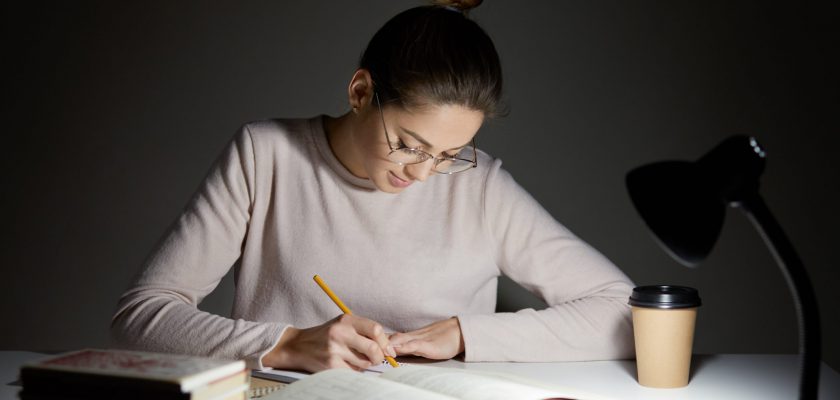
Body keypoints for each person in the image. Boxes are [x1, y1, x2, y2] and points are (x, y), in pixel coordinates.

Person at [110, 0, 635, 372]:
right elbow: (141, 315)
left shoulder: (480, 187)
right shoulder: (264, 154)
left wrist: (466, 334)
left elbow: (626, 312)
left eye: (449, 155)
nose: (424, 173)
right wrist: (287, 344)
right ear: (361, 91)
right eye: (409, 143)